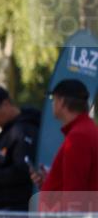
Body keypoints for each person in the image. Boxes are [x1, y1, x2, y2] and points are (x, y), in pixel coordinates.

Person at [0, 86, 41, 211]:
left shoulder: (23, 129)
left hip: (17, 209)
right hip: (4, 207)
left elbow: (23, 170)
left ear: (5, 104)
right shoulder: (7, 130)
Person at [39, 79, 98, 209]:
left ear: (61, 101)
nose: (53, 103)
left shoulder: (79, 136)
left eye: (53, 99)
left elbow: (74, 195)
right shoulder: (85, 130)